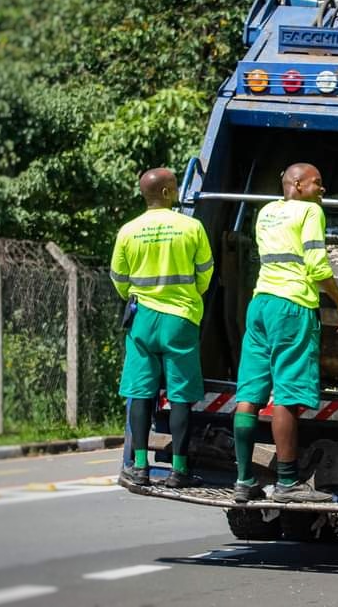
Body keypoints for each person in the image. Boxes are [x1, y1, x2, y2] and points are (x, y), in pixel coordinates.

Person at [233, 163, 338, 504]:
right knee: (286, 394)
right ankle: (287, 482)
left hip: (261, 304)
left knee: (250, 394)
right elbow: (317, 265)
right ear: (297, 184)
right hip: (292, 306)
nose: (322, 190)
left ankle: (244, 479)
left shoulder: (267, 212)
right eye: (317, 183)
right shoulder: (310, 212)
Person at [111, 167, 213, 489]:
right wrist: (188, 296)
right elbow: (205, 272)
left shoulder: (128, 230)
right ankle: (179, 470)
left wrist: (139, 297)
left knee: (140, 392)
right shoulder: (191, 227)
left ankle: (139, 466)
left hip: (142, 319)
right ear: (168, 193)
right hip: (180, 318)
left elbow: (118, 279)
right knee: (180, 396)